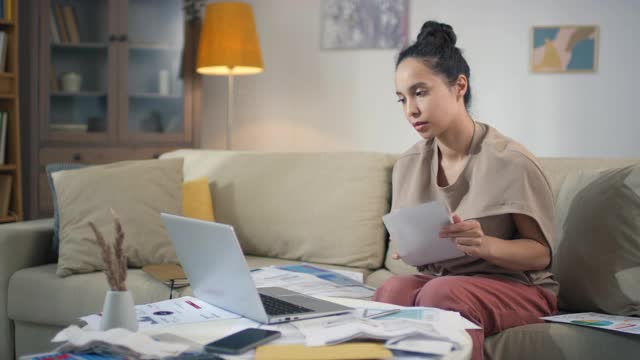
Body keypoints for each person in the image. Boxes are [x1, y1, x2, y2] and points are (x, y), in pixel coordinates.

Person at [373, 20, 558, 360]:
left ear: (459, 86)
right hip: (445, 282)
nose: (410, 110)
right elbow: (422, 266)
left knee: (442, 296)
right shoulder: (408, 164)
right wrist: (412, 247)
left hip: (519, 288)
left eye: (420, 92)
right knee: (392, 289)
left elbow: (541, 255)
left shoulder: (512, 161)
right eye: (401, 99)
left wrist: (485, 245)